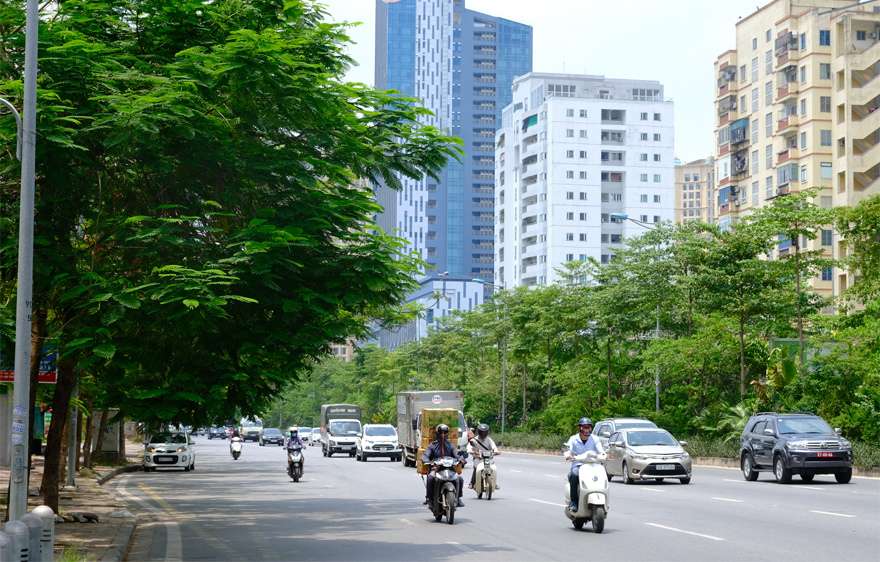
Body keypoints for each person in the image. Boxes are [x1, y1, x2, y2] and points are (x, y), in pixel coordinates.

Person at [563, 417, 605, 512]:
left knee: (602, 475)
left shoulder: (595, 439)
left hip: (593, 466)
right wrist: (568, 455)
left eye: (588, 427)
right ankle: (574, 502)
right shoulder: (573, 439)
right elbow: (568, 450)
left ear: (591, 428)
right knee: (574, 475)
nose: (586, 429)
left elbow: (600, 451)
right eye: (584, 427)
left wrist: (605, 455)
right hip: (578, 465)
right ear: (579, 428)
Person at [421, 424, 467, 508]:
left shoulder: (451, 445)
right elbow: (425, 455)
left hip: (449, 468)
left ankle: (458, 498)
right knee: (431, 478)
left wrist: (461, 459)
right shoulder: (432, 445)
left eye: (444, 432)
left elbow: (457, 454)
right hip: (436, 468)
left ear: (447, 433)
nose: (442, 435)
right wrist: (426, 461)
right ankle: (430, 499)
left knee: (460, 479)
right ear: (437, 433)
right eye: (441, 432)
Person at [466, 423, 499, 490]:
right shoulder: (474, 440)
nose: (483, 433)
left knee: (492, 468)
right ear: (478, 431)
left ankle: (494, 483)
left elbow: (494, 447)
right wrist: (471, 451)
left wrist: (496, 452)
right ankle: (472, 483)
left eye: (485, 432)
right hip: (478, 457)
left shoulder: (489, 439)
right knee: (476, 468)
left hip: (487, 457)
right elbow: (469, 447)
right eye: (482, 432)